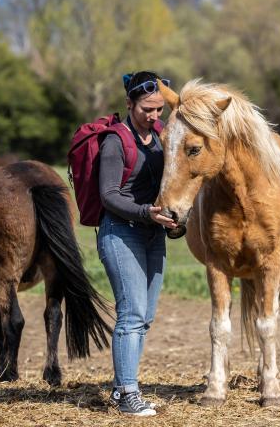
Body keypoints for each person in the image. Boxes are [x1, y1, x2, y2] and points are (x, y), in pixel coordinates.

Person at [97, 71, 177, 416]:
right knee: (130, 315)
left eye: (159, 110)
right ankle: (128, 394)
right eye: (147, 109)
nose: (154, 116)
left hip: (153, 233)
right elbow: (108, 195)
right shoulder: (115, 141)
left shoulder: (161, 137)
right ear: (130, 103)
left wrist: (174, 220)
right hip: (121, 231)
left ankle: (123, 387)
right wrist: (147, 212)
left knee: (145, 317)